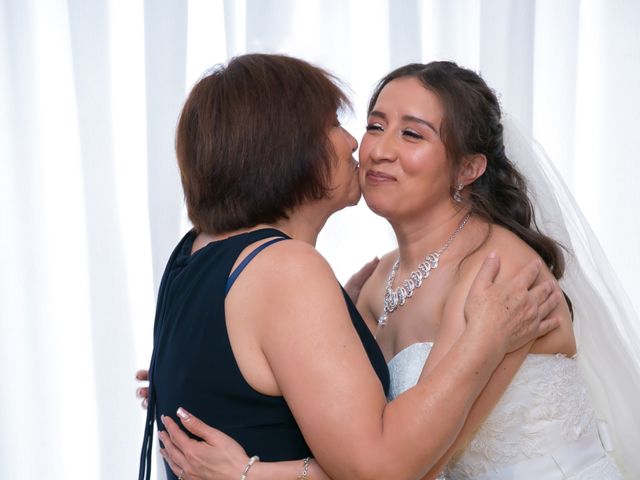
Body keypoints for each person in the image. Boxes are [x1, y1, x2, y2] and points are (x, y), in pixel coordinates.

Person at [155, 61, 640, 479]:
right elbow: (339, 417)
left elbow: (421, 466)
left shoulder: (502, 275)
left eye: (411, 133)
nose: (373, 149)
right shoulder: (372, 283)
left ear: (469, 168)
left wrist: (250, 473)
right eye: (373, 125)